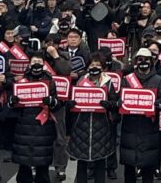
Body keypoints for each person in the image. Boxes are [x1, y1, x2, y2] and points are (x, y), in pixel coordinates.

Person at [68, 55, 120, 183]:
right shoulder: (80, 81)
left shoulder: (108, 82)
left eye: (97, 65)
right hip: (81, 126)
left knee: (100, 163)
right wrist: (71, 104)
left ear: (102, 68)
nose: (94, 67)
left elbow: (115, 102)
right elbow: (71, 99)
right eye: (92, 65)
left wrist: (110, 104)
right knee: (81, 163)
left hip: (102, 126)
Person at [10, 51, 60, 183]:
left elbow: (58, 104)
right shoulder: (21, 81)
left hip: (43, 126)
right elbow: (12, 107)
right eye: (33, 62)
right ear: (29, 65)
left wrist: (51, 102)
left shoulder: (50, 82)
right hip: (24, 127)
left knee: (42, 166)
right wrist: (12, 101)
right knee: (24, 166)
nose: (36, 65)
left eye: (39, 62)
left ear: (43, 64)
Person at [120, 48, 161, 183]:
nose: (143, 62)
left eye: (146, 60)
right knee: (129, 169)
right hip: (130, 127)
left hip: (149, 128)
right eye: (140, 59)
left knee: (148, 170)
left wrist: (156, 105)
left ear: (151, 62)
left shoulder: (159, 80)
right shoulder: (127, 80)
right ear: (135, 62)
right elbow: (120, 100)